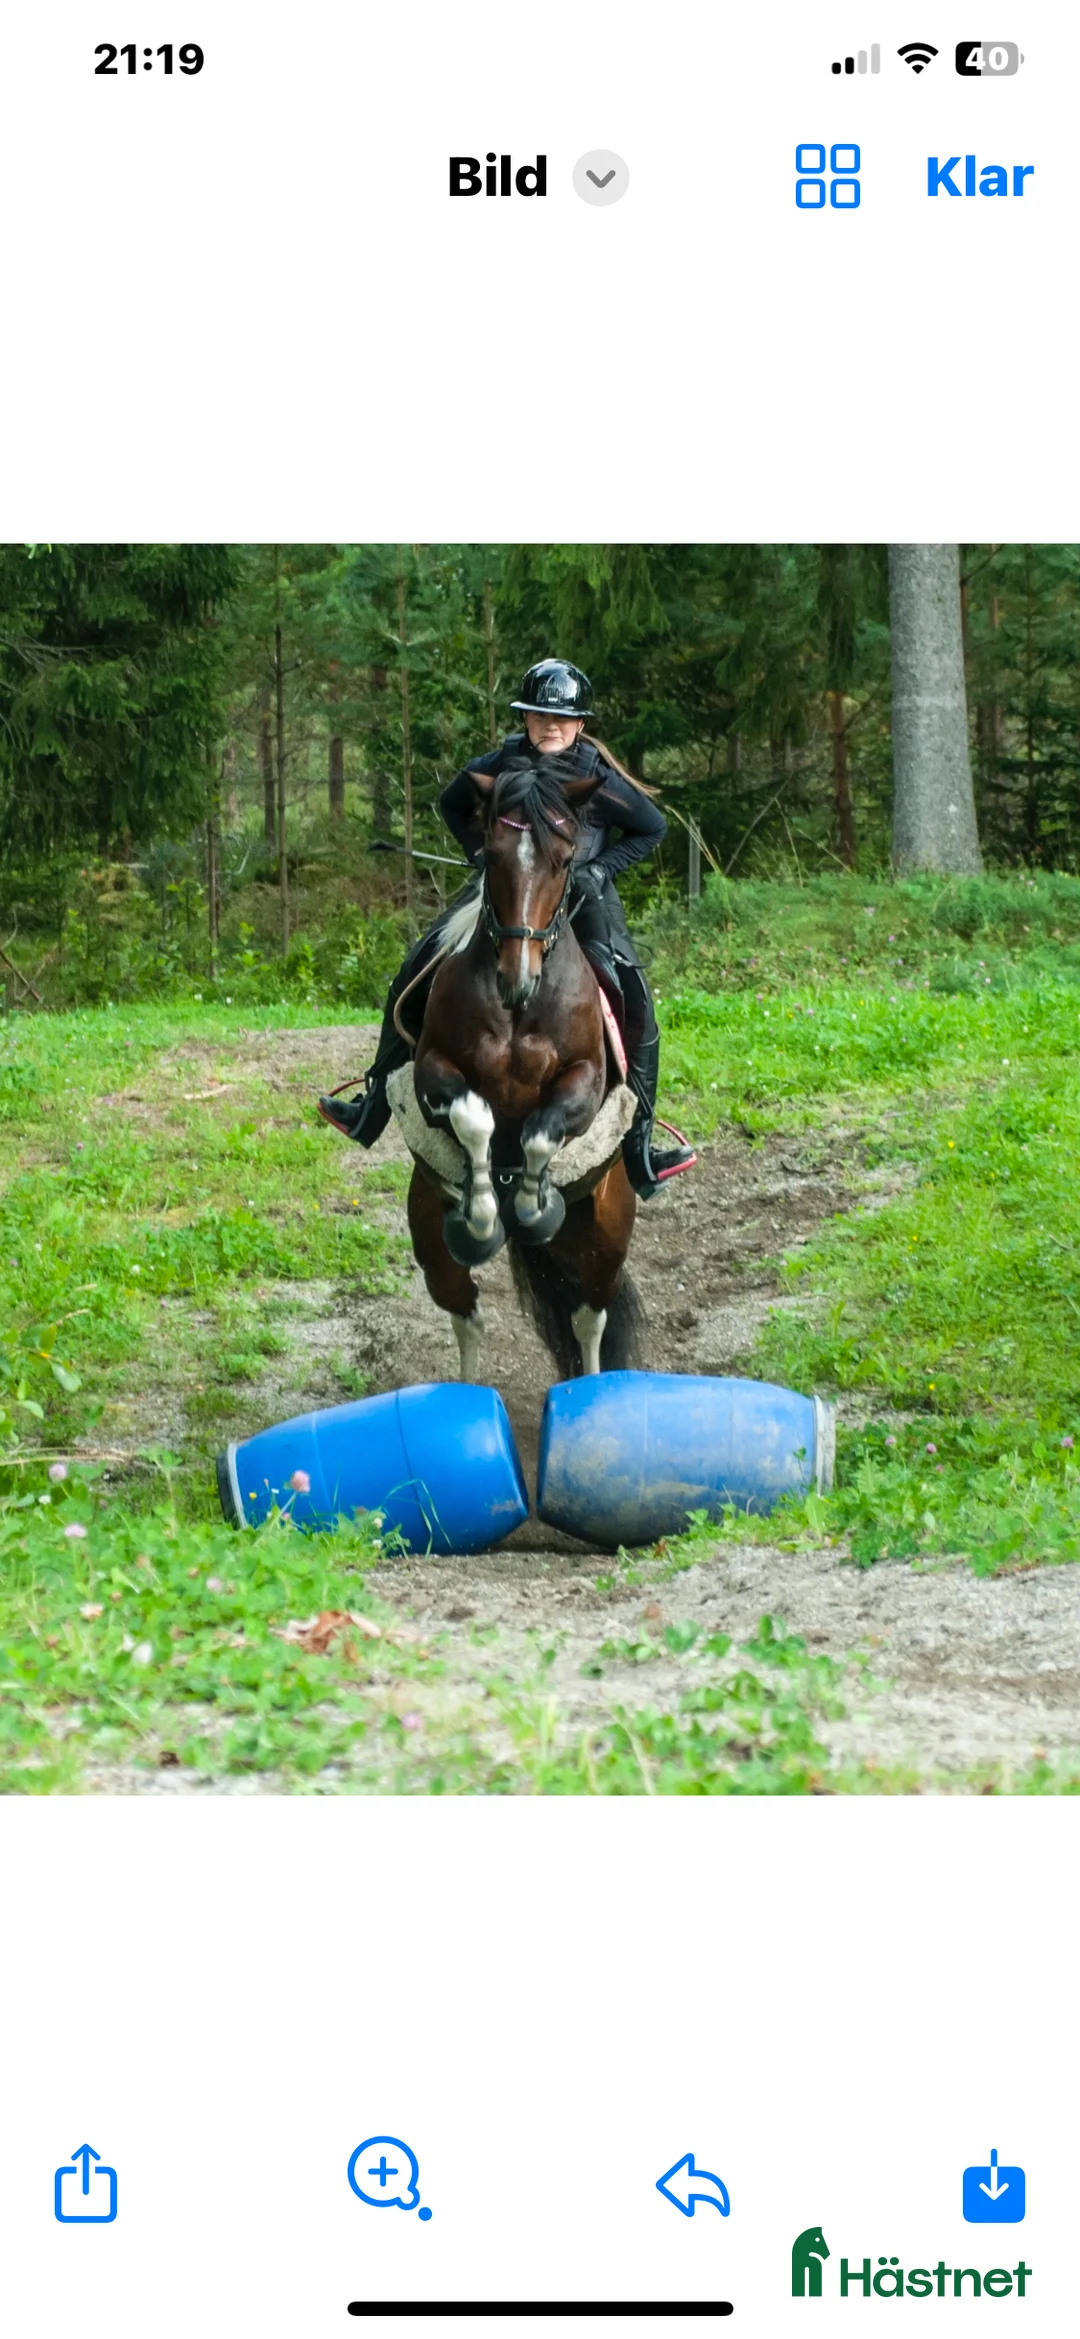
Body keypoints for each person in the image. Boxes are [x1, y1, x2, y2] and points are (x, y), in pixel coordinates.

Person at [318, 658, 696, 1198]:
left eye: (562, 719)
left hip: (580, 896)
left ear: (580, 724)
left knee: (634, 993)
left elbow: (652, 829)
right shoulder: (500, 765)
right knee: (417, 961)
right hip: (504, 890)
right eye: (539, 715)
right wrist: (484, 857)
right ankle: (372, 1104)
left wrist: (598, 869)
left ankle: (640, 1147)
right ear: (525, 717)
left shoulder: (597, 777)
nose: (550, 726)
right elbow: (451, 804)